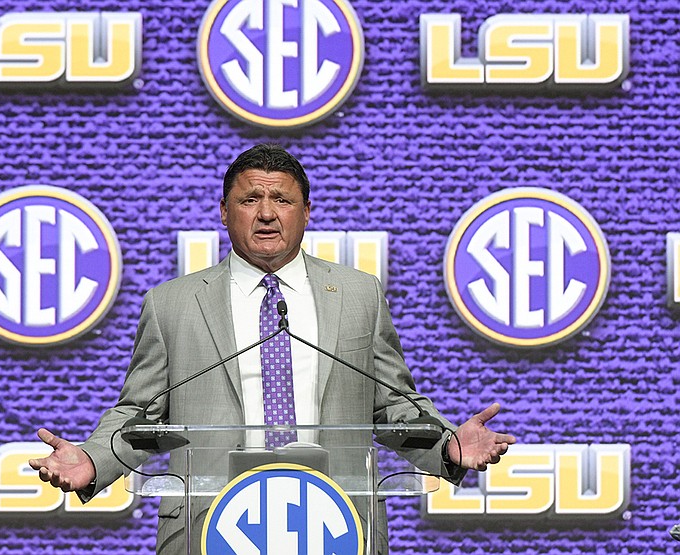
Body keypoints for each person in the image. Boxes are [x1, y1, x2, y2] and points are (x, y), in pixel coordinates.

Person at [29, 144, 515, 553]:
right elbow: (141, 415)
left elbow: (391, 406)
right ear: (223, 211)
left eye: (281, 199)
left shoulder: (358, 294)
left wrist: (447, 442)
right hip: (209, 525)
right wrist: (94, 459)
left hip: (339, 522)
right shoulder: (171, 303)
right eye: (250, 199)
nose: (265, 213)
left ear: (306, 211)